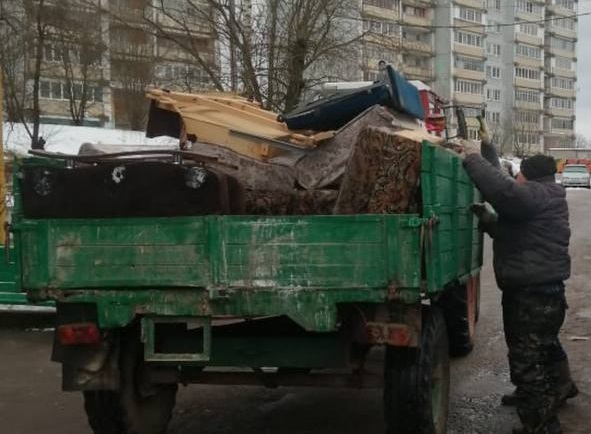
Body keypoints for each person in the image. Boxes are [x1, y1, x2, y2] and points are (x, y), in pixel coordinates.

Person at [457, 120, 578, 434]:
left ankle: (541, 424)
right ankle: (562, 387)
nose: (517, 177)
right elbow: (509, 201)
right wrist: (488, 150)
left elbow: (502, 189)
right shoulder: (546, 195)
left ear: (532, 177)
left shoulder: (534, 196)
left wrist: (471, 156)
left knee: (527, 359)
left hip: (531, 296)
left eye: (520, 173)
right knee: (544, 346)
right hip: (544, 292)